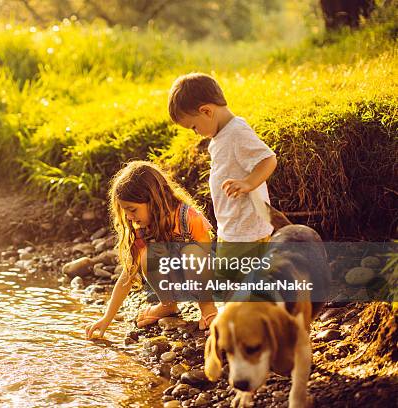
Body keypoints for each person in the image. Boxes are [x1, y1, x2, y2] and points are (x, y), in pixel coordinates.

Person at [85, 161, 218, 339]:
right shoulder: (141, 229)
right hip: (174, 278)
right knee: (148, 255)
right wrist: (107, 318)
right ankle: (168, 304)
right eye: (126, 211)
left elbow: (207, 258)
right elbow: (128, 275)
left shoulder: (188, 217)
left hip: (204, 278)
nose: (129, 217)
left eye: (132, 210)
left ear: (154, 200)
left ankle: (207, 307)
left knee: (192, 253)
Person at [168, 73, 277, 280]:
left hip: (247, 229)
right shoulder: (221, 134)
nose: (196, 133)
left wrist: (248, 183)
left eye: (193, 127)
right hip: (234, 226)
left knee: (237, 286)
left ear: (206, 111)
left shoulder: (237, 132)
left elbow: (268, 159)